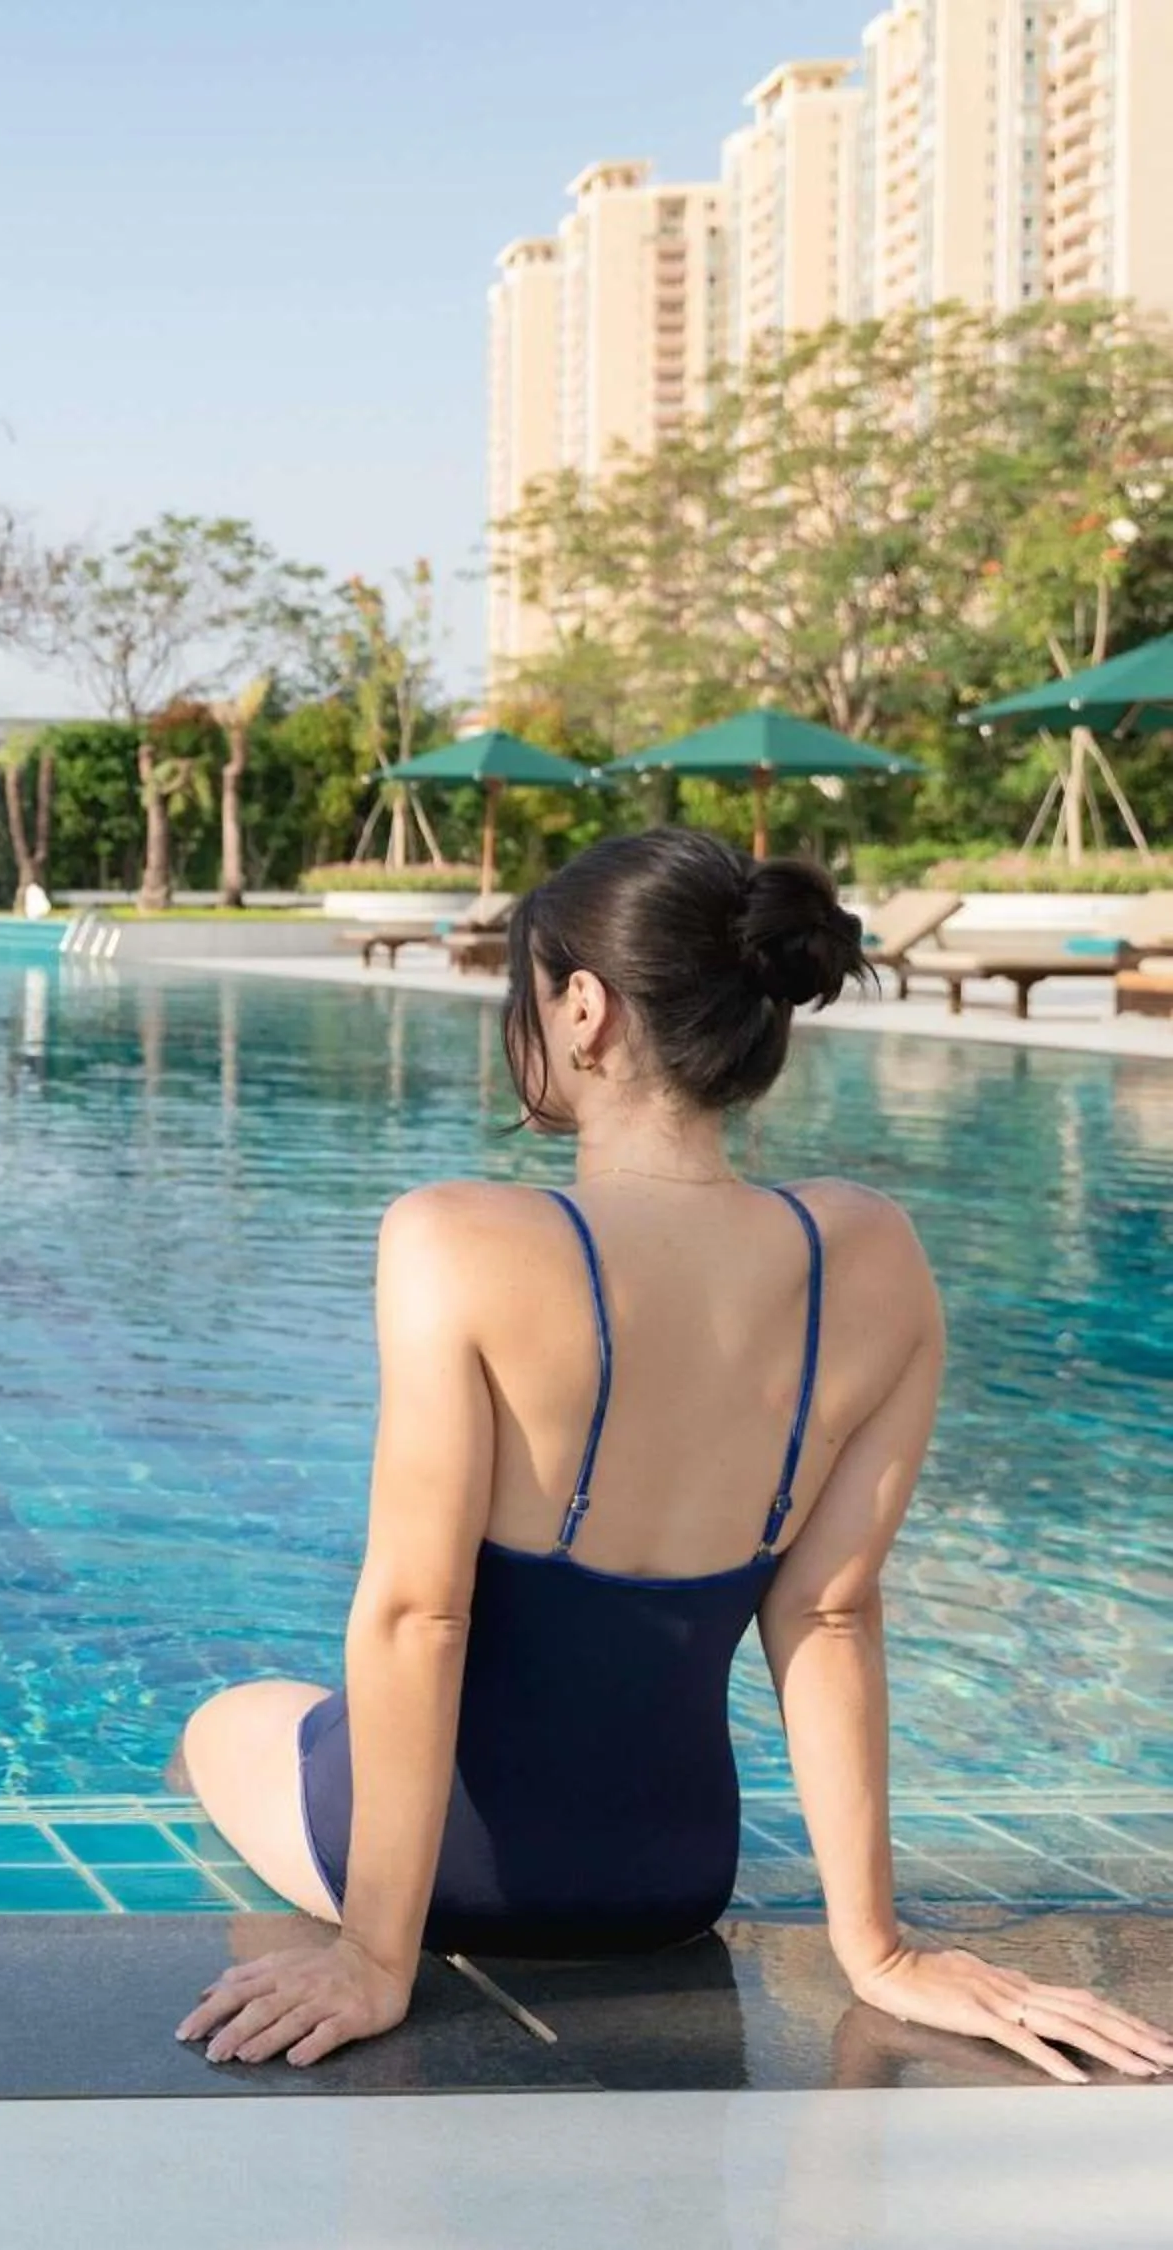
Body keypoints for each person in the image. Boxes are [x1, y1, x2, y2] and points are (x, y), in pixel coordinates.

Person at [173, 830, 1171, 2084]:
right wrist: (881, 1951)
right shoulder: (872, 1256)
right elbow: (833, 1612)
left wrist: (379, 1956)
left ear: (583, 1009)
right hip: (674, 1874)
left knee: (227, 1719)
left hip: (452, 1880)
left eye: (528, 995)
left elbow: (423, 1614)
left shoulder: (455, 1237)